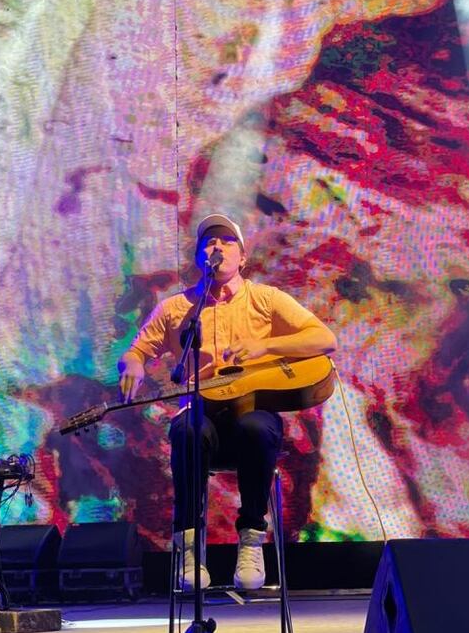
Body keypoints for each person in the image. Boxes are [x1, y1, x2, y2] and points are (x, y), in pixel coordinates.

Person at [118, 214, 337, 590]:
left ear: (243, 256)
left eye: (225, 241)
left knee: (258, 426)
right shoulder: (176, 308)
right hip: (202, 415)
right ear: (199, 257)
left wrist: (265, 345)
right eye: (208, 242)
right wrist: (134, 364)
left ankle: (251, 536)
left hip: (250, 415)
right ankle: (188, 546)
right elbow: (136, 351)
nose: (216, 247)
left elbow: (324, 339)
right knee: (186, 431)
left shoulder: (266, 299)